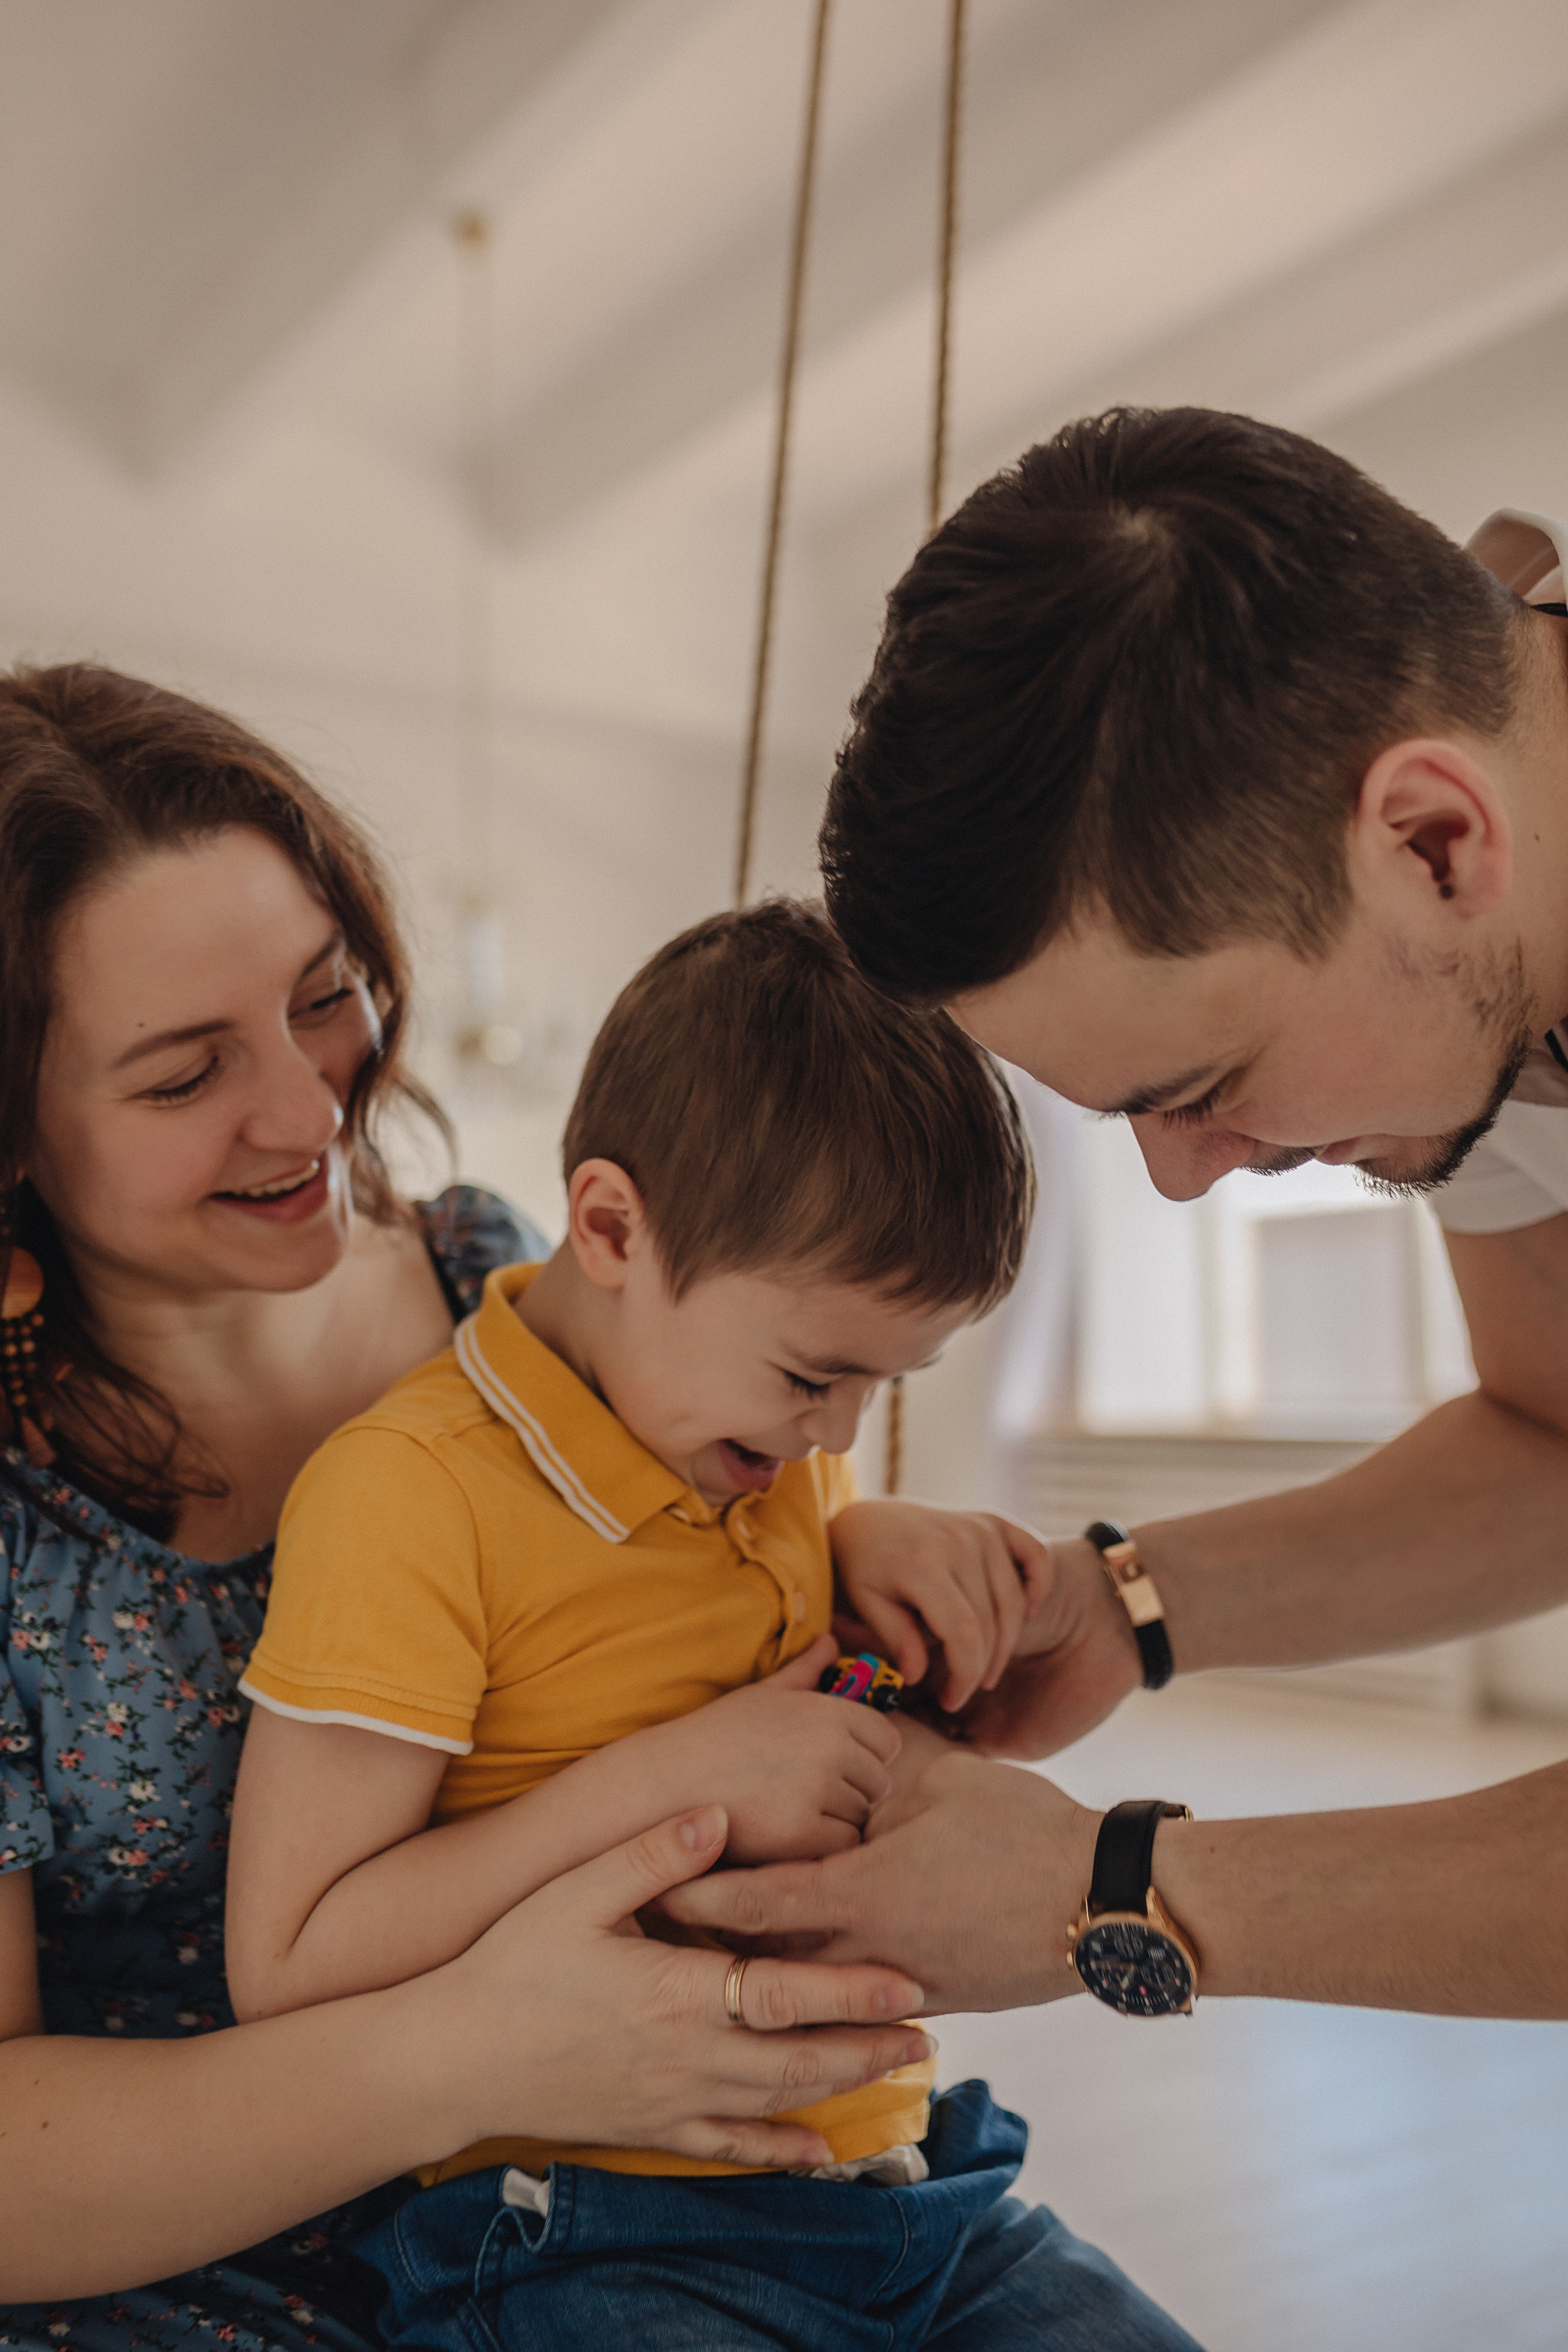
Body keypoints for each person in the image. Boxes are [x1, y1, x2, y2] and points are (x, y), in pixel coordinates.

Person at [0, 669, 935, 2342]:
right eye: (181, 1077)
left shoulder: (492, 1278)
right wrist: (469, 2062)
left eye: (326, 996)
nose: (310, 1110)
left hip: (662, 2178)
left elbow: (674, 1610)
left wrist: (857, 1552)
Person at [665, 407, 1568, 2029]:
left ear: (1435, 840)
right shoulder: (1470, 977)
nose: (1182, 1175)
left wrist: (1110, 1892)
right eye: (1124, 1116)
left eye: (1204, 1084)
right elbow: (1554, 1434)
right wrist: (1121, 1606)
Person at [225, 899, 1205, 2352]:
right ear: (611, 1227)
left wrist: (867, 1563)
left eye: (885, 1384)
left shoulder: (754, 1444)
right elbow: (295, 1960)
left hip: (906, 2184)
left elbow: (757, 1671)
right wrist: (678, 1779)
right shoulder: (408, 1495)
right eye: (813, 1378)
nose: (838, 1434)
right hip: (581, 2225)